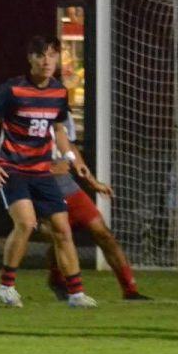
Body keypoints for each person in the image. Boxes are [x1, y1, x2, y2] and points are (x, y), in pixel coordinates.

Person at [0, 35, 96, 308]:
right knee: (26, 223)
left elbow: (58, 129)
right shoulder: (13, 90)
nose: (47, 62)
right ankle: (6, 288)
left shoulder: (58, 92)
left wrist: (72, 157)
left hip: (42, 171)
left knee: (62, 229)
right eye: (41, 55)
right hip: (13, 168)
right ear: (30, 58)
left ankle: (76, 294)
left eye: (52, 56)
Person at [42, 126, 152, 301]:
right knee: (60, 236)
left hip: (68, 185)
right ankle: (54, 280)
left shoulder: (60, 110)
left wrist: (92, 181)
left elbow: (69, 145)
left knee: (103, 234)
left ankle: (130, 290)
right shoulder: (24, 109)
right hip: (41, 185)